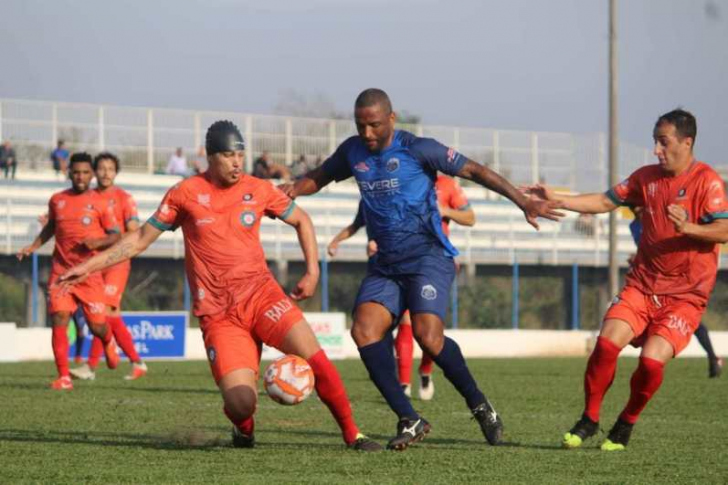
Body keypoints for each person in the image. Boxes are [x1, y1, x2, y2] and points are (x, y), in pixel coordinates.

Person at [58, 121, 381, 451]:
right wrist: (86, 267)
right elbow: (139, 239)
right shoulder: (184, 194)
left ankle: (353, 434)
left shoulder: (257, 188)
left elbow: (302, 220)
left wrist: (312, 271)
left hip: (262, 296)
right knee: (241, 404)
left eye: (240, 155)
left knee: (317, 360)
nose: (237, 162)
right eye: (228, 155)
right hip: (219, 315)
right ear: (210, 158)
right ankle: (244, 429)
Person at [281, 88, 562, 450]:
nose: (367, 134)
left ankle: (479, 403)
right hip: (386, 265)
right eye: (360, 125)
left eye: (374, 125)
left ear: (392, 119)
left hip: (428, 257)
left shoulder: (418, 148)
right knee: (364, 331)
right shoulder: (352, 151)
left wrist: (522, 200)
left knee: (427, 336)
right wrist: (291, 189)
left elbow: (474, 169)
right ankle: (409, 418)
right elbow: (317, 177)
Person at [526, 109, 728, 451]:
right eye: (655, 142)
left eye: (663, 142)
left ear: (686, 142)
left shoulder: (707, 181)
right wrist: (559, 199)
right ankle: (589, 419)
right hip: (643, 285)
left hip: (685, 296)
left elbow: (723, 229)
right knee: (606, 343)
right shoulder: (646, 178)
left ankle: (625, 424)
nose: (656, 150)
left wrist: (689, 227)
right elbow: (605, 200)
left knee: (651, 362)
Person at [328, 175, 476, 401]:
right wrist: (341, 240)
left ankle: (425, 371)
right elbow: (362, 223)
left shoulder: (447, 184)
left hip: (433, 263)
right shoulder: (393, 186)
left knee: (428, 330)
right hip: (398, 263)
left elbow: (470, 218)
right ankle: (403, 383)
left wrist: (445, 211)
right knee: (404, 322)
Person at [17, 152, 122, 390]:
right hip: (61, 271)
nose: (81, 177)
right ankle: (64, 377)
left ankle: (107, 339)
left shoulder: (102, 202)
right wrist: (32, 247)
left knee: (97, 326)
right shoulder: (57, 200)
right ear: (69, 173)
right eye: (76, 172)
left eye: (86, 172)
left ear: (92, 174)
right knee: (60, 318)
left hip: (89, 274)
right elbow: (51, 228)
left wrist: (97, 243)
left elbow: (116, 235)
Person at [70, 152, 148, 381]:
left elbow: (134, 231)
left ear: (116, 172)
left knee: (103, 312)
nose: (106, 173)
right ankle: (137, 362)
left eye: (110, 169)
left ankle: (91, 367)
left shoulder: (124, 198)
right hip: (94, 263)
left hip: (117, 261)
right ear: (95, 171)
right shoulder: (87, 197)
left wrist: (106, 240)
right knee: (108, 313)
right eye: (101, 168)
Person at [629, 207, 723, 378]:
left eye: (638, 204)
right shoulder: (634, 226)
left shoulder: (660, 217)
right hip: (656, 279)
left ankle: (712, 357)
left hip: (683, 276)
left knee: (688, 320)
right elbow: (647, 250)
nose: (637, 208)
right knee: (654, 317)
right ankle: (650, 363)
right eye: (632, 206)